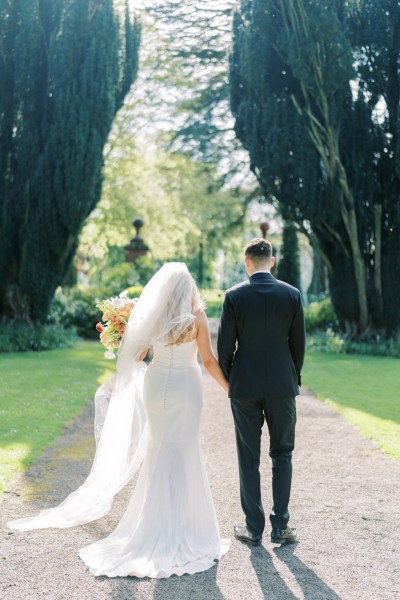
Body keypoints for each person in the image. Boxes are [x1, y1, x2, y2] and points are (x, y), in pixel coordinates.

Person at [7, 262, 230, 578]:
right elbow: (207, 360)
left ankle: (154, 525)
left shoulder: (153, 316)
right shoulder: (197, 317)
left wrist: (121, 342)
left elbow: (137, 355)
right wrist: (230, 389)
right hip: (186, 387)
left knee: (158, 446)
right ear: (189, 289)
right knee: (183, 449)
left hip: (157, 384)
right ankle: (186, 527)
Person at [217, 238, 305, 546]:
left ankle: (253, 528)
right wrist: (292, 379)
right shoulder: (291, 295)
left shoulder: (234, 296)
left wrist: (232, 381)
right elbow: (298, 346)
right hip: (282, 385)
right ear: (272, 261)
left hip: (245, 386)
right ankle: (280, 526)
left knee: (248, 456)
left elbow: (224, 348)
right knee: (283, 452)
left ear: (247, 262)